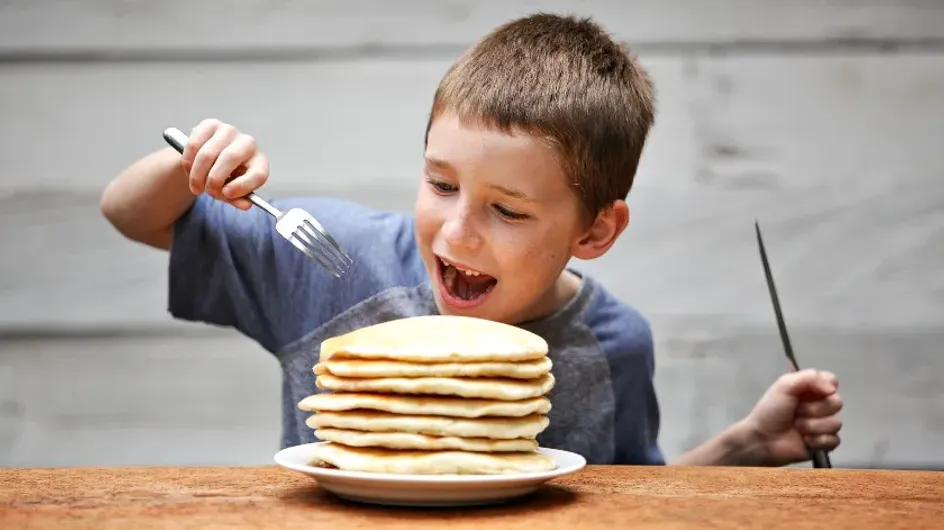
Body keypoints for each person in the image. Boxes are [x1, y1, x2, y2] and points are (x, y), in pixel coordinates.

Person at [100, 13, 842, 466]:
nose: (457, 232)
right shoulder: (333, 262)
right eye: (441, 184)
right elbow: (130, 214)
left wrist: (743, 446)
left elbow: (625, 502)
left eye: (508, 211)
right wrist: (189, 162)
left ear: (595, 229)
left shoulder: (615, 347)